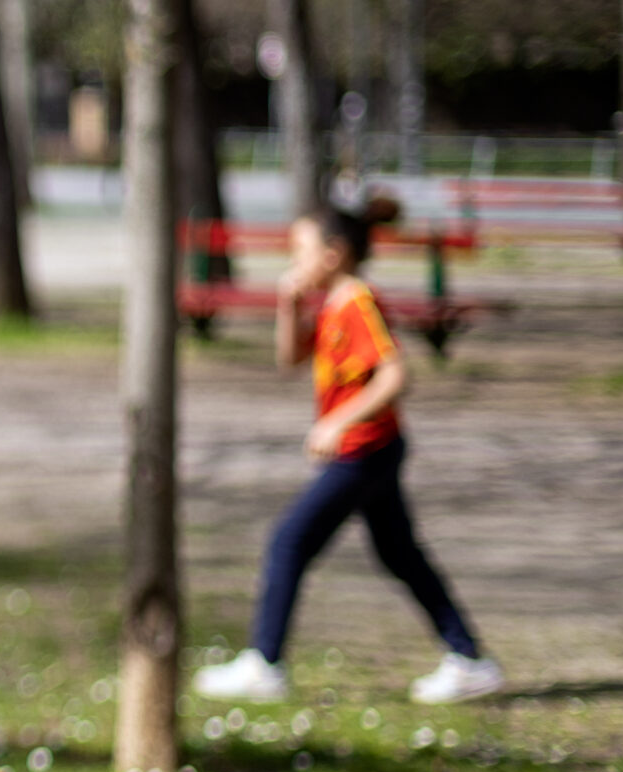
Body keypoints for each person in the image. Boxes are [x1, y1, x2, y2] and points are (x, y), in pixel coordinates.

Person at [195, 197, 505, 707]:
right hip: (372, 451)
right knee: (401, 555)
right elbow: (290, 359)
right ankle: (469, 660)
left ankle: (265, 663)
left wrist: (339, 420)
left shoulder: (358, 302)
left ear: (334, 254)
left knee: (288, 541)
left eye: (300, 252)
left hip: (366, 451)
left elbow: (396, 373)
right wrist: (288, 305)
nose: (292, 263)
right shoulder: (332, 303)